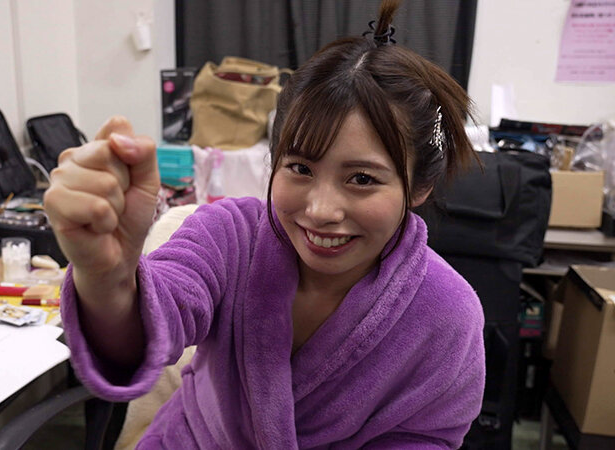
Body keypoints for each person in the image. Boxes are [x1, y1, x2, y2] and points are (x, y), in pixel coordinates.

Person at [45, 0, 485, 447]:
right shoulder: (229, 238)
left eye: (362, 179)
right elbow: (148, 327)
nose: (321, 210)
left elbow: (423, 437)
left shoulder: (447, 314)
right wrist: (107, 275)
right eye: (300, 169)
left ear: (419, 186)